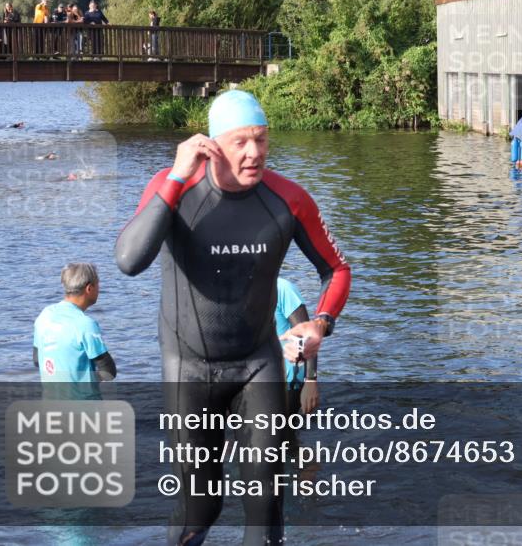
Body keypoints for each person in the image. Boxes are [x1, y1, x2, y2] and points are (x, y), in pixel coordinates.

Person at [114, 90, 350, 546]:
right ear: (212, 145)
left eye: (261, 139)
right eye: (241, 142)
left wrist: (320, 323)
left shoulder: (288, 199)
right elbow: (129, 260)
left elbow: (337, 269)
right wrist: (176, 177)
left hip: (257, 363)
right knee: (201, 507)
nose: (254, 152)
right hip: (188, 369)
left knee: (266, 504)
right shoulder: (175, 186)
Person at [33, 263, 117, 400]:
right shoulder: (85, 324)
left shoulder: (44, 315)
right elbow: (108, 371)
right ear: (89, 288)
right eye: (98, 284)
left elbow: (37, 361)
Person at [275, 278, 320, 418]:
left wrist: (311, 381)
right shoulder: (241, 291)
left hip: (289, 380)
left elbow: (309, 336)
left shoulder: (283, 288)